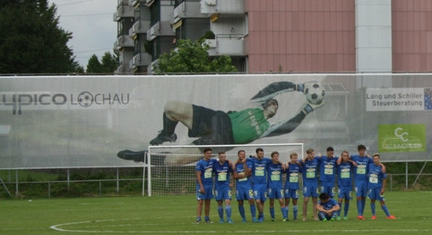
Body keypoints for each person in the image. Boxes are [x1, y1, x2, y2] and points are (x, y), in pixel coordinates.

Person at [116, 80, 322, 163]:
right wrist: (299, 87)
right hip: (217, 120)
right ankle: (166, 134)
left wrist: (307, 109)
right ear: (266, 103)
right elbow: (273, 88)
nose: (275, 105)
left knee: (173, 160)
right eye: (273, 103)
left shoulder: (268, 128)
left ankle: (141, 156)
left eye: (277, 107)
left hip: (221, 141)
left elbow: (290, 125)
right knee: (171, 107)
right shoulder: (254, 104)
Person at [367, 153, 396, 219]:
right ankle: (373, 215)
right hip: (371, 187)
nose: (376, 160)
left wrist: (383, 188)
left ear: (379, 159)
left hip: (379, 187)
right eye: (374, 159)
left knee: (382, 201)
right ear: (373, 160)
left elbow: (384, 178)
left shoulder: (381, 168)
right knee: (372, 200)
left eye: (377, 159)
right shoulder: (370, 165)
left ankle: (388, 215)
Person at [234, 149, 257, 222]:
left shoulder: (248, 162)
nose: (242, 155)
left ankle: (253, 217)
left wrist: (244, 165)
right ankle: (243, 218)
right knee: (240, 202)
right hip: (239, 186)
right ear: (238, 155)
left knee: (251, 200)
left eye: (244, 154)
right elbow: (235, 176)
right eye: (241, 154)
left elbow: (248, 173)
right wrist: (244, 175)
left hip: (248, 186)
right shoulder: (236, 164)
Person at [351, 144, 373, 220]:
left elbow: (376, 162)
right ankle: (359, 214)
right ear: (358, 151)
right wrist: (351, 161)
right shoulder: (354, 157)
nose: (362, 152)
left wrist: (382, 166)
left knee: (363, 197)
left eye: (363, 150)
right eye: (361, 150)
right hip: (357, 181)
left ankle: (361, 214)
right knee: (359, 197)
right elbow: (345, 158)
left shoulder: (368, 159)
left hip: (365, 181)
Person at [248, 147, 270, 222]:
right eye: (260, 154)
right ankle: (261, 214)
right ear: (257, 154)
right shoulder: (253, 160)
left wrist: (285, 163)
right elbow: (244, 159)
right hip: (256, 184)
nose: (262, 155)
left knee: (262, 201)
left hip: (264, 184)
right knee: (257, 201)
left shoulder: (266, 160)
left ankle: (260, 215)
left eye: (262, 153)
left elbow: (275, 160)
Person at [194, 147, 215, 223]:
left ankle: (207, 218)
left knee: (208, 202)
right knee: (200, 201)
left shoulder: (213, 161)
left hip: (209, 185)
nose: (209, 155)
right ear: (204, 154)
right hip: (202, 185)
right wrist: (201, 186)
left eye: (210, 153)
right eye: (208, 153)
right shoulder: (200, 163)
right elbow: (198, 175)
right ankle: (198, 218)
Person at [213, 151, 233, 223]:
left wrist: (232, 183)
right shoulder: (215, 164)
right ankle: (221, 219)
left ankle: (229, 218)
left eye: (224, 157)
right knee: (219, 203)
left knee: (227, 201)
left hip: (226, 186)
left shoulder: (228, 164)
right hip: (218, 187)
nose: (223, 158)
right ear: (218, 157)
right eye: (222, 157)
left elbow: (233, 172)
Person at [266, 151, 286, 220]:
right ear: (272, 157)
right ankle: (273, 217)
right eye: (275, 156)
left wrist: (282, 164)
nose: (276, 157)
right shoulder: (269, 164)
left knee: (281, 201)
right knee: (271, 202)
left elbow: (284, 170)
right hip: (271, 186)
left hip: (279, 186)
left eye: (277, 156)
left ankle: (285, 217)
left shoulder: (280, 165)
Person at [282, 152, 302, 220]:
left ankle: (295, 217)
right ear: (291, 158)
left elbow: (302, 171)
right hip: (288, 186)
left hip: (296, 186)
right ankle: (286, 217)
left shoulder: (298, 165)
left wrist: (300, 165)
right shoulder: (288, 165)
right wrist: (285, 165)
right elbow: (283, 171)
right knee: (287, 201)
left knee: (295, 201)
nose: (295, 159)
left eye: (296, 158)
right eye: (293, 158)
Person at [301, 148, 319, 220]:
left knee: (315, 200)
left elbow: (320, 158)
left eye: (313, 154)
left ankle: (315, 216)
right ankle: (304, 216)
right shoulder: (304, 161)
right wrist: (306, 158)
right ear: (308, 154)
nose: (312, 155)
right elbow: (298, 161)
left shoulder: (316, 160)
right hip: (307, 183)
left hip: (314, 183)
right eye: (311, 154)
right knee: (306, 200)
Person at [337, 150, 354, 220]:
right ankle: (338, 215)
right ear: (341, 156)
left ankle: (345, 215)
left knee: (347, 200)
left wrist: (351, 161)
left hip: (349, 185)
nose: (345, 157)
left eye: (347, 156)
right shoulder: (339, 164)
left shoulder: (350, 164)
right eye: (344, 155)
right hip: (341, 185)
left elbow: (354, 160)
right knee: (340, 200)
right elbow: (336, 161)